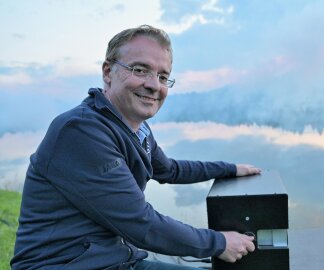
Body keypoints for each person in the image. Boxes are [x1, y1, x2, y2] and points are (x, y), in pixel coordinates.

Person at [11, 25, 261, 270]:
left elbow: (171, 170)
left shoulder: (137, 129)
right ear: (108, 72)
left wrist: (229, 168)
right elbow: (142, 224)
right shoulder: (80, 131)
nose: (154, 85)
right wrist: (218, 243)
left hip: (115, 260)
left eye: (163, 76)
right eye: (140, 70)